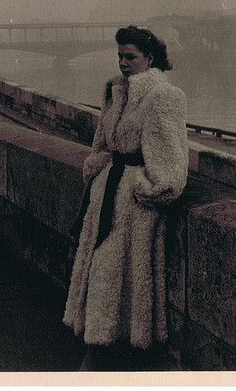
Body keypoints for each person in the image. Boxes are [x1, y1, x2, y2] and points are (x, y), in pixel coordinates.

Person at [63, 25, 188, 370]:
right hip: (107, 195)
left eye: (130, 56)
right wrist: (98, 167)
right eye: (119, 55)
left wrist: (148, 189)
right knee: (103, 271)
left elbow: (172, 166)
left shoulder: (164, 96)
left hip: (133, 206)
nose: (123, 62)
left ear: (150, 58)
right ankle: (102, 349)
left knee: (121, 275)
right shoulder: (116, 92)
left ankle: (104, 355)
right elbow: (103, 144)